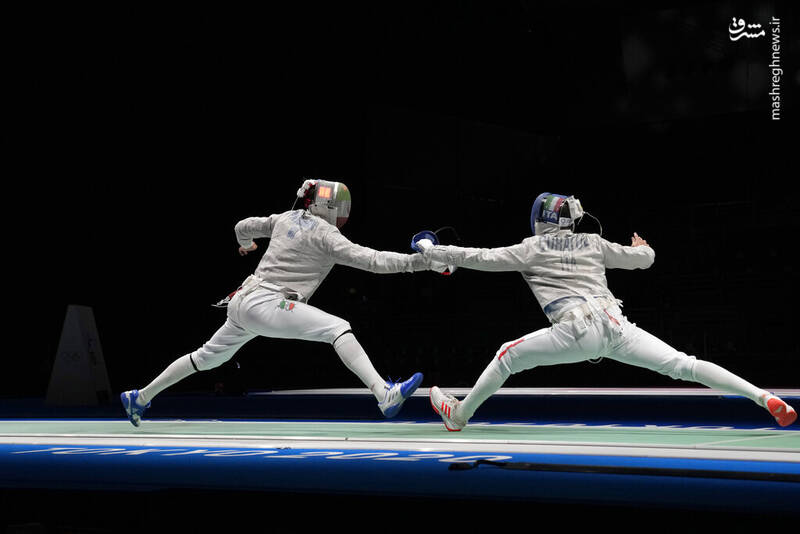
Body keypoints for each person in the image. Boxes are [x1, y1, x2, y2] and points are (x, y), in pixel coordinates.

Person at [416, 192, 796, 431]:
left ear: (541, 220)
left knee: (507, 356)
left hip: (577, 330)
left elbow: (479, 257)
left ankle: (460, 415)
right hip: (617, 326)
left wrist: (430, 249)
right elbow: (645, 259)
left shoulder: (530, 248)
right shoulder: (593, 241)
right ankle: (762, 397)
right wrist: (642, 248)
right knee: (685, 364)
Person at [121, 179, 435, 426]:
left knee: (204, 357)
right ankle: (384, 394)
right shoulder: (327, 236)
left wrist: (247, 245)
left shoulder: (285, 218)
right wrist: (421, 262)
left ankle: (140, 397)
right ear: (330, 207)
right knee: (337, 328)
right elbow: (375, 261)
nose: (344, 215)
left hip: (242, 301)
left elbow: (242, 226)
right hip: (267, 304)